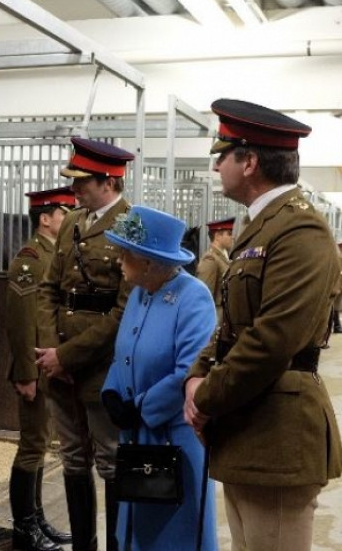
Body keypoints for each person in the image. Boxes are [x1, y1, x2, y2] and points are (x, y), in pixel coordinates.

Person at [183, 98, 342, 551]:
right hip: (251, 423)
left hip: (279, 431)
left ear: (250, 161)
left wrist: (206, 398)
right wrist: (195, 376)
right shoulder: (261, 226)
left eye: (223, 155)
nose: (217, 167)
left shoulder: (300, 231)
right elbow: (231, 324)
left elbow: (272, 339)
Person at [35, 137, 135, 551]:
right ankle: (82, 546)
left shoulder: (132, 225)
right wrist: (48, 352)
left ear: (109, 181)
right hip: (57, 361)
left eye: (82, 183)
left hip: (102, 364)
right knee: (73, 459)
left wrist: (68, 355)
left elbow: (124, 310)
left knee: (110, 461)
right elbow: (47, 290)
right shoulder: (74, 223)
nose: (74, 191)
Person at [101, 205, 218, 551]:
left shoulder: (193, 296)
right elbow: (125, 352)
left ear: (149, 261)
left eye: (126, 254)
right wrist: (111, 391)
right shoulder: (139, 292)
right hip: (136, 437)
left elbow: (190, 370)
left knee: (174, 534)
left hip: (173, 438)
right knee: (136, 531)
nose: (119, 261)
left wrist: (141, 407)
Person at [6, 186, 76, 551]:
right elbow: (21, 324)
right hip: (33, 369)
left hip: (47, 368)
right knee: (31, 446)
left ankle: (37, 520)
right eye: (63, 212)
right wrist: (25, 374)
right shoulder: (30, 259)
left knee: (41, 444)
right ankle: (23, 528)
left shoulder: (55, 254)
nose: (68, 218)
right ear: (45, 218)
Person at [196, 217, 235, 325]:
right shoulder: (211, 259)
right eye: (229, 233)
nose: (233, 237)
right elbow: (204, 295)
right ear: (217, 236)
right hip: (215, 319)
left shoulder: (222, 257)